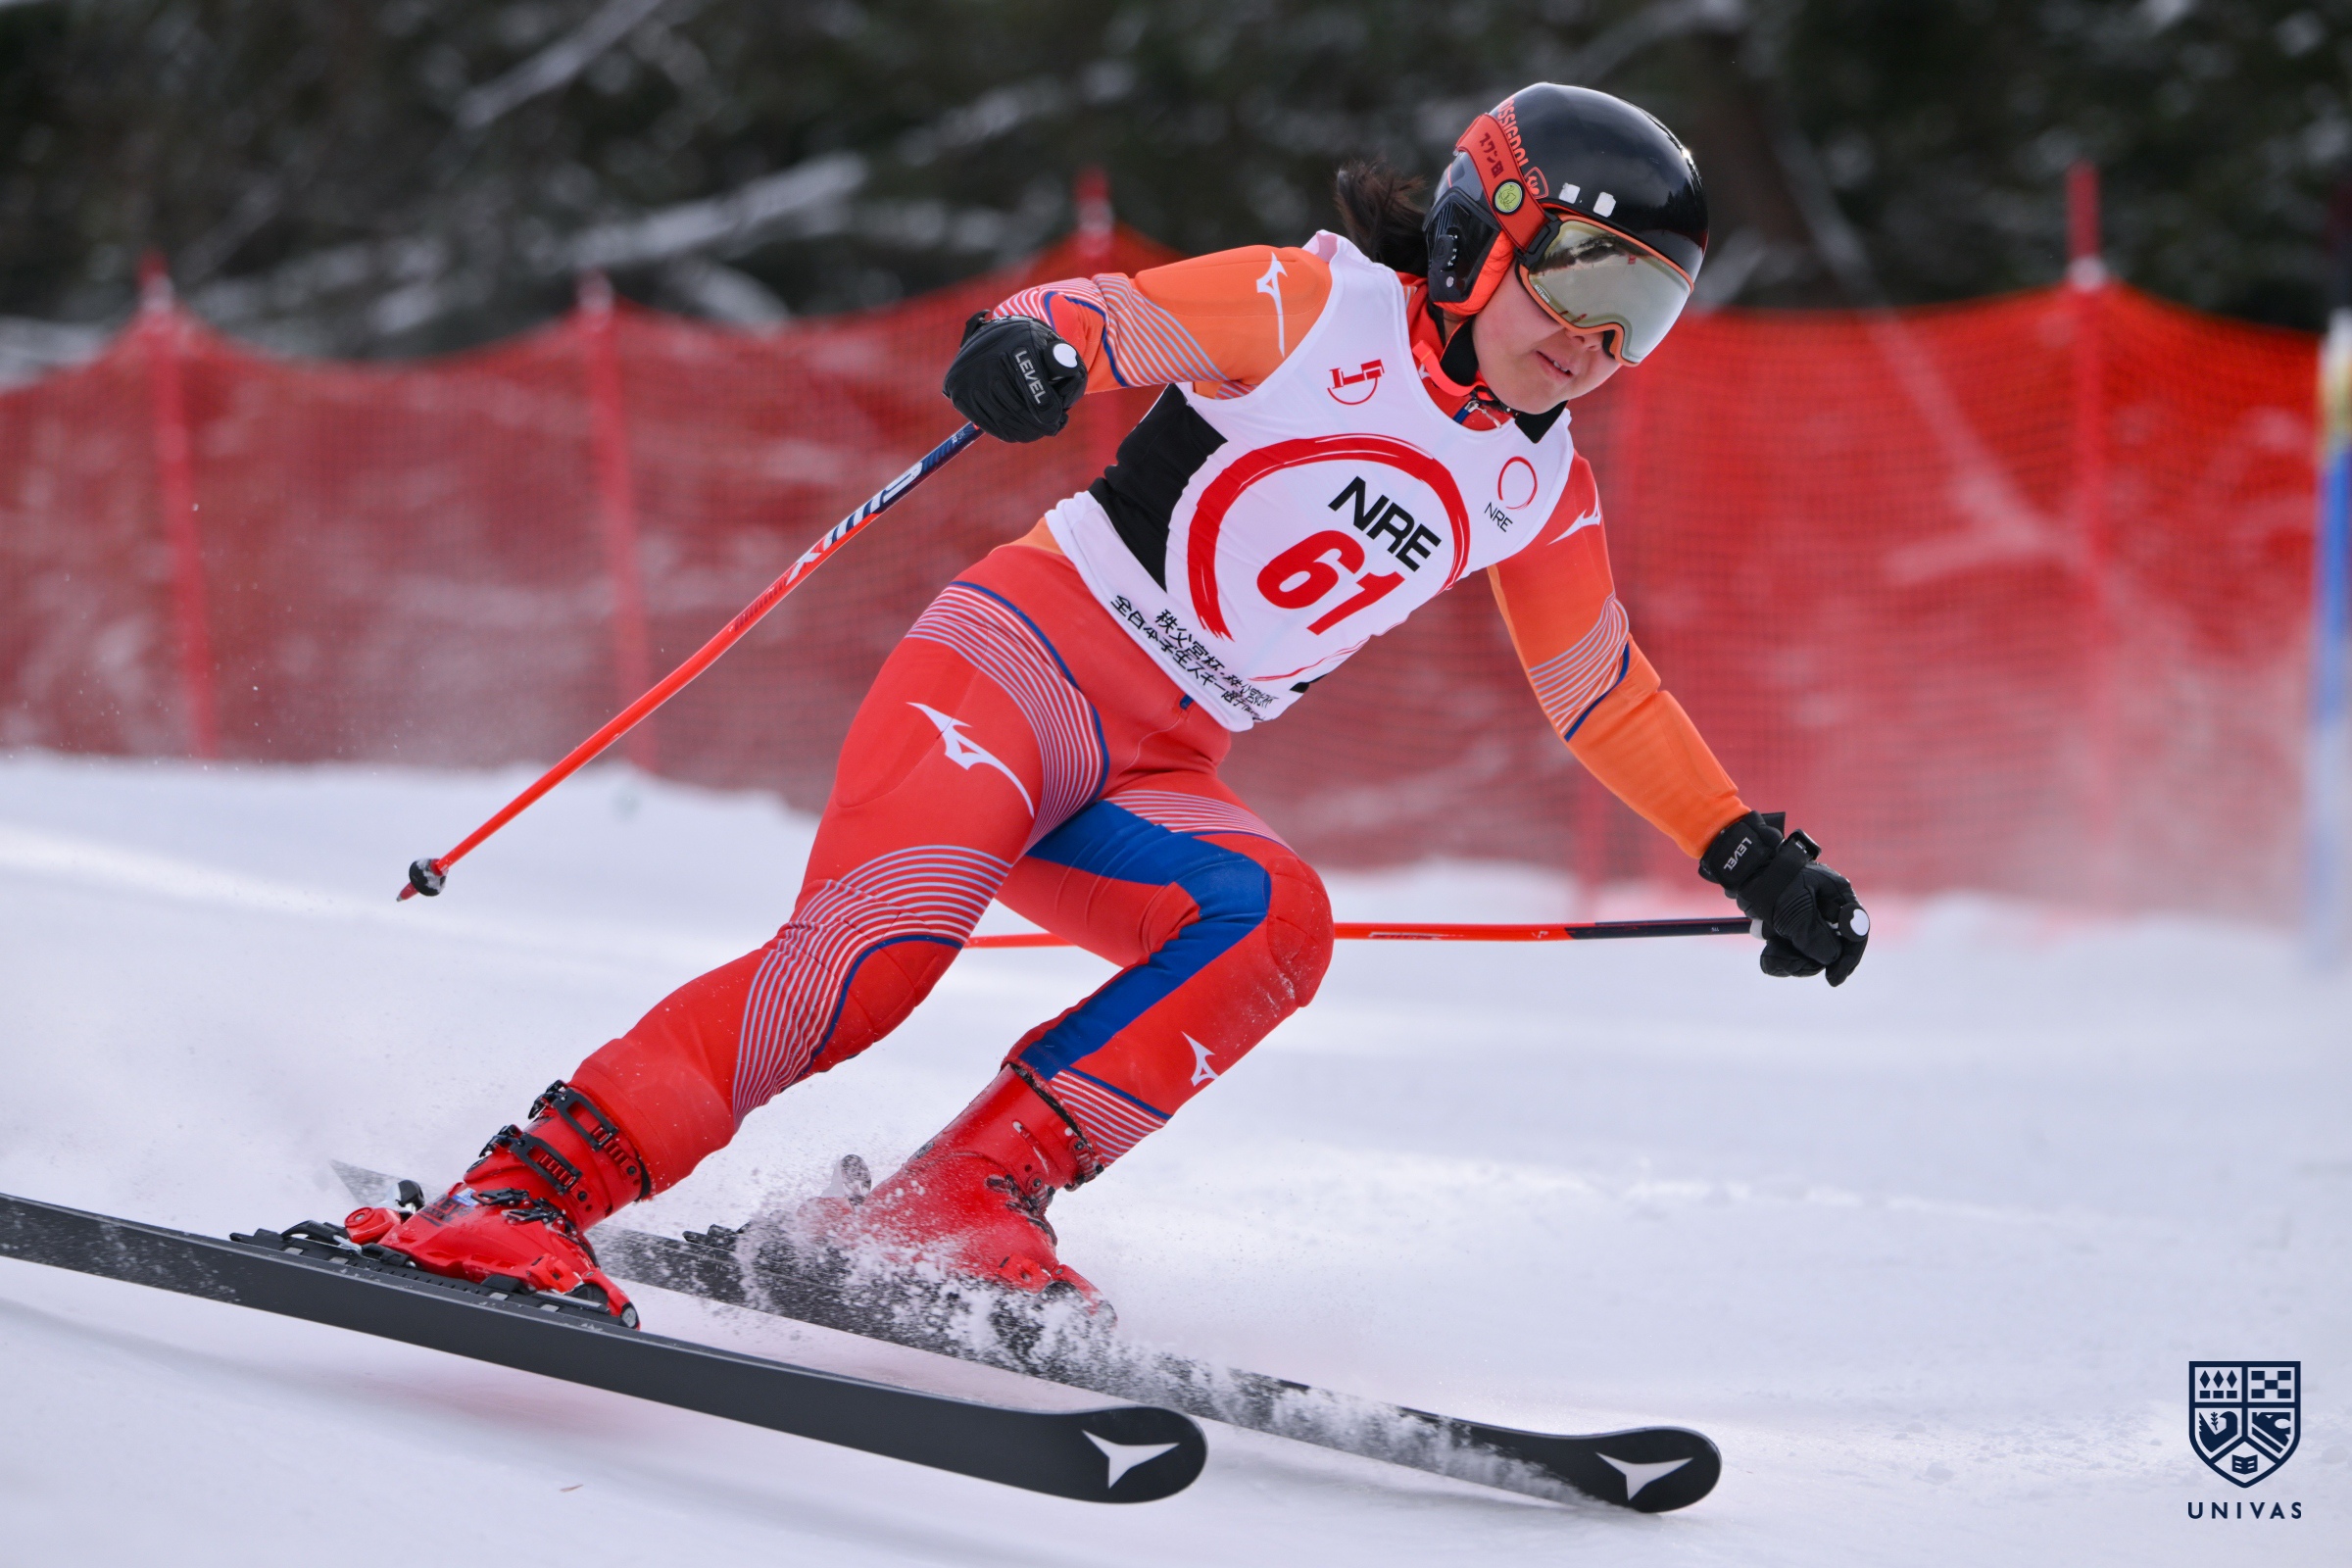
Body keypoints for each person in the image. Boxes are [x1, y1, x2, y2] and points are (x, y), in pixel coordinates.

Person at [349, 83, 1868, 1325]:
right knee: (878, 957)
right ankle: (519, 1196)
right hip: (1014, 668)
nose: (1598, 343)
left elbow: (1602, 691)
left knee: (1275, 923)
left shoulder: (1537, 485)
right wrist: (1035, 350)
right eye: (1588, 281)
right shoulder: (1315, 308)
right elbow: (1110, 315)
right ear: (1487, 232)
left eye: (1644, 314)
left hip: (1149, 769)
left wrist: (1745, 850)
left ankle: (956, 1203)